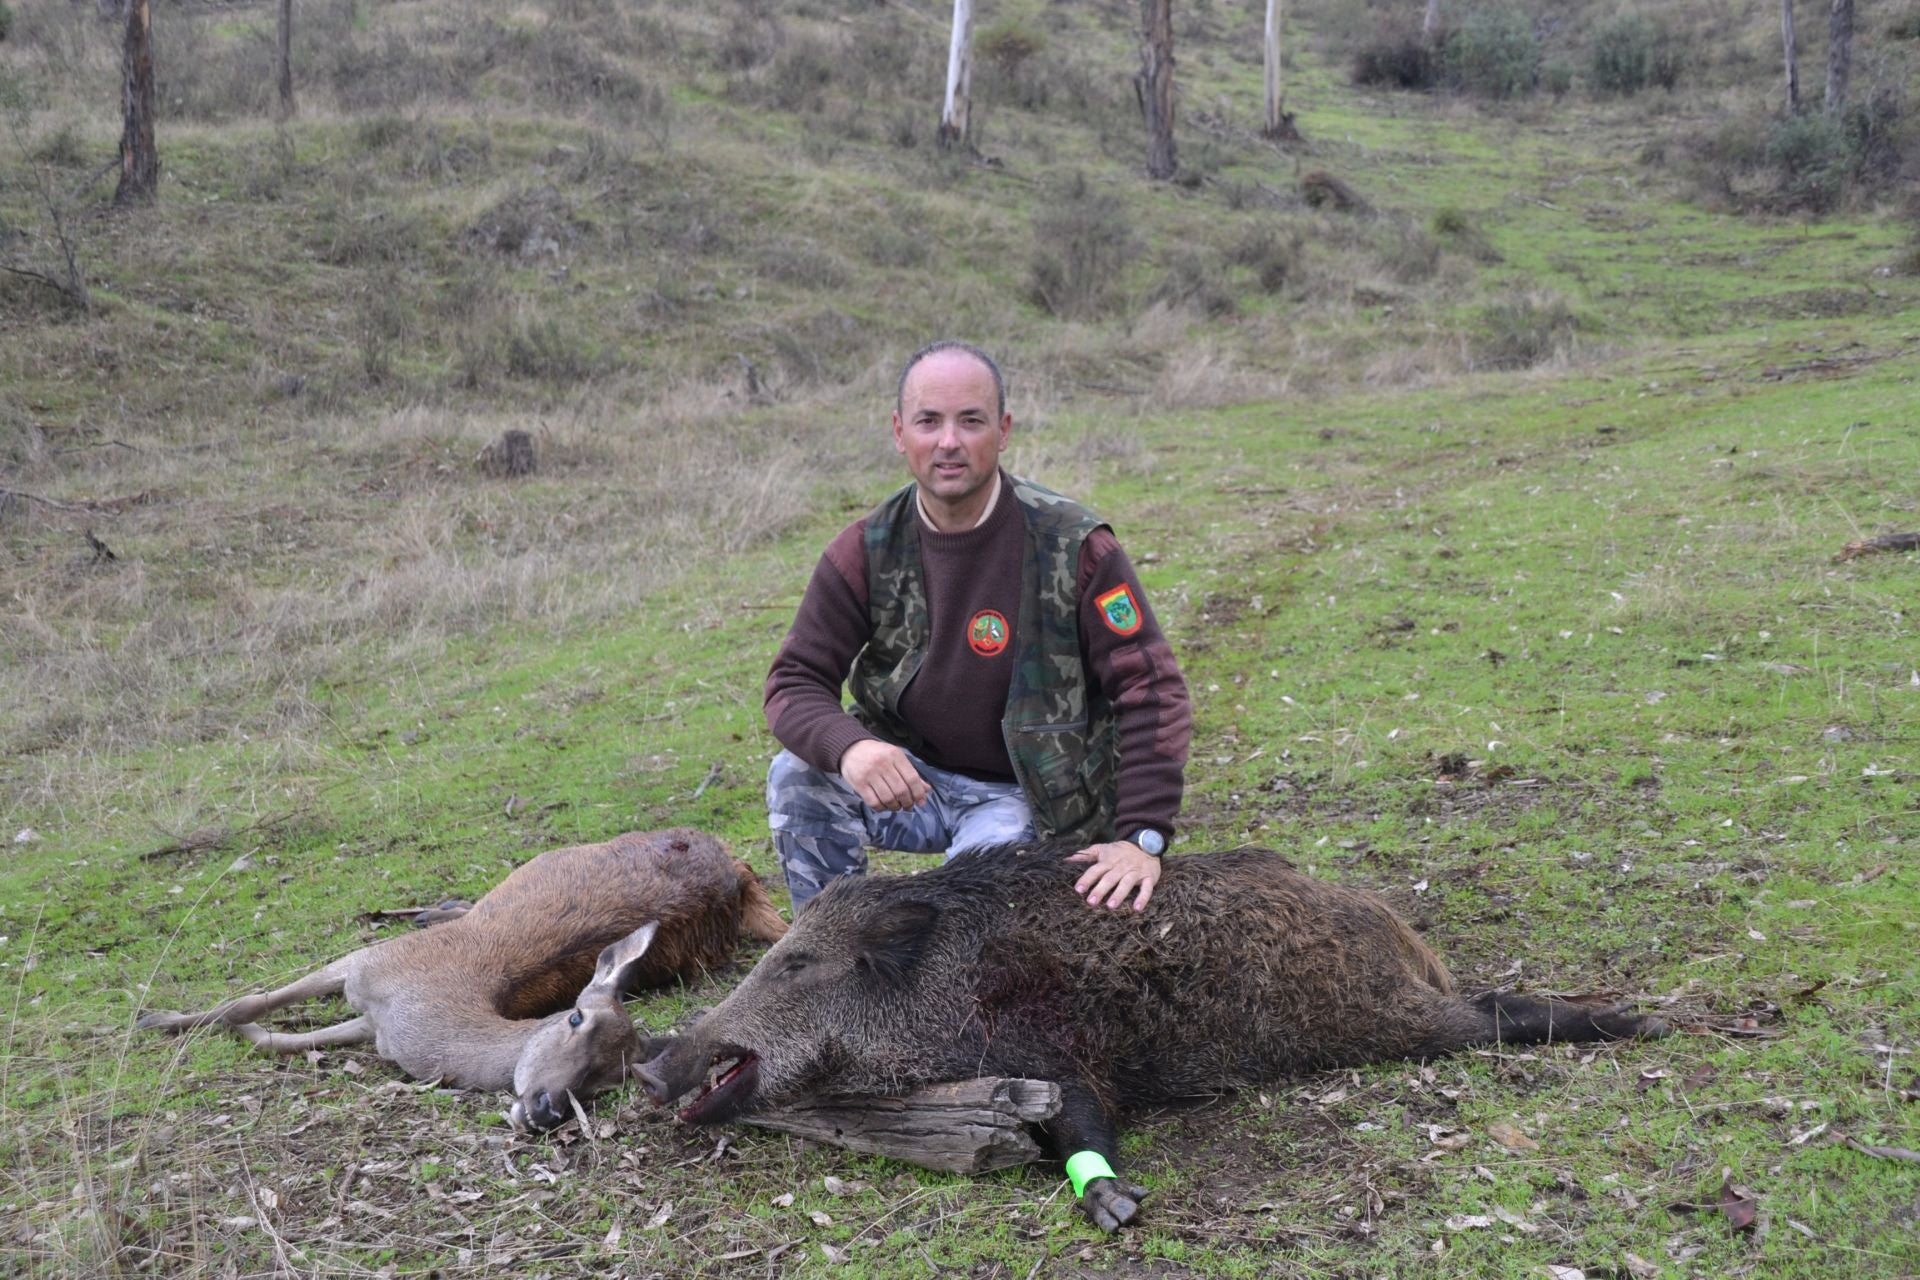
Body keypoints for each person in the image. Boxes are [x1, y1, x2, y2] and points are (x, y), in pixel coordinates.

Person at [763, 340, 1192, 914]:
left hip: (1033, 799)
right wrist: (853, 748)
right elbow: (794, 681)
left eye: (971, 421)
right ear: (899, 433)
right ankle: (826, 956)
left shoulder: (1076, 546)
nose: (949, 443)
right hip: (914, 782)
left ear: (1004, 429)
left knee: (961, 913)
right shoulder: (866, 549)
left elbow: (1153, 691)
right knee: (797, 776)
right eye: (928, 421)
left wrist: (1143, 837)